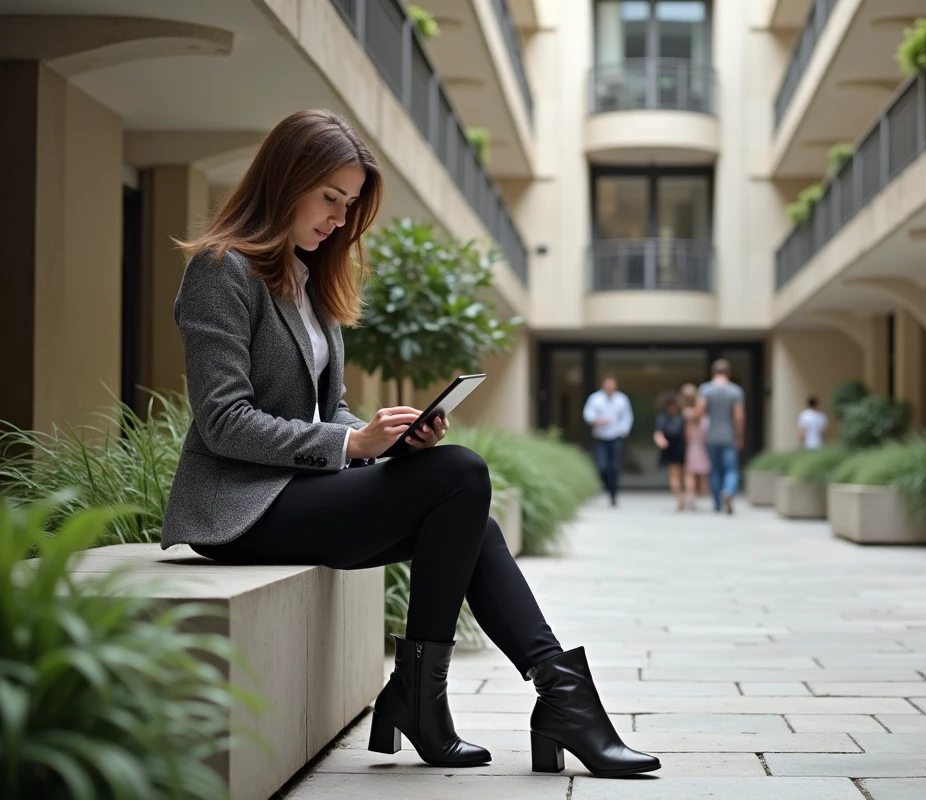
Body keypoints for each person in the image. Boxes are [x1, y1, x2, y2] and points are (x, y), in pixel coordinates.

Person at [161, 109, 658, 778]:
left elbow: (326, 408)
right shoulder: (222, 270)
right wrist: (354, 446)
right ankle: (498, 703)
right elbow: (224, 420)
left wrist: (386, 439)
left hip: (298, 492)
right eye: (330, 198)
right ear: (285, 180)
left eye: (350, 204)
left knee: (465, 506)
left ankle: (540, 693)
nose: (340, 219)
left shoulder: (308, 279)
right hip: (241, 509)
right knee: (461, 475)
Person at [694, 359, 745, 514]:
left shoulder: (706, 389)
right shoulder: (735, 391)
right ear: (728, 373)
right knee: (731, 469)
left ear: (712, 372)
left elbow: (698, 413)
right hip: (728, 436)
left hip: (711, 436)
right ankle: (728, 491)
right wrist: (740, 435)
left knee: (715, 470)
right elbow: (739, 417)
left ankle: (717, 503)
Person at [582, 375, 633, 507]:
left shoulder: (622, 399)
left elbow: (627, 417)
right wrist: (597, 420)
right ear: (603, 386)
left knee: (614, 467)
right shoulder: (595, 398)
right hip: (600, 436)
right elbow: (588, 414)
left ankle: (613, 495)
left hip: (616, 436)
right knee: (603, 466)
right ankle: (606, 485)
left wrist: (623, 430)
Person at [653, 391, 687, 511]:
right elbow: (658, 434)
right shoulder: (680, 416)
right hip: (676, 447)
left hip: (680, 447)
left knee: (679, 475)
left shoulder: (670, 416)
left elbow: (658, 434)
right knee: (676, 474)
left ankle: (682, 497)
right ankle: (681, 497)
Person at [679, 383, 710, 511]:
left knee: (689, 472)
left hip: (692, 445)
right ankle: (697, 494)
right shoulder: (702, 414)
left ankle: (691, 495)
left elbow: (685, 433)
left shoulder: (685, 414)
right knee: (701, 472)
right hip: (702, 444)